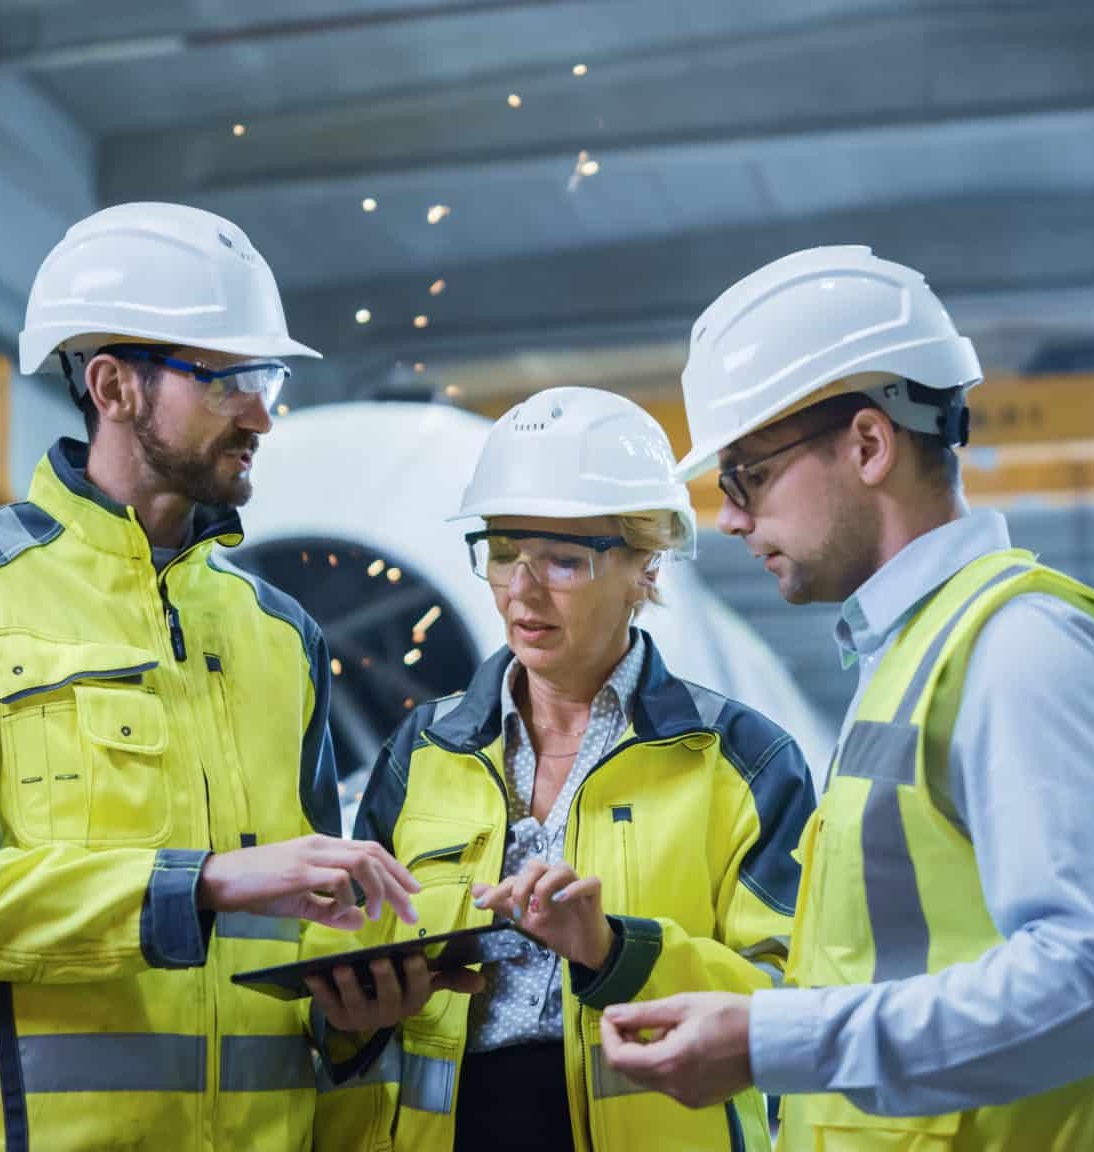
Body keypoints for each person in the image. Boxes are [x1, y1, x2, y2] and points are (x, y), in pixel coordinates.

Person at [598, 246, 1094, 1149]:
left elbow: (1080, 982)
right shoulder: (908, 657)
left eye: (746, 473)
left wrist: (773, 1042)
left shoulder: (1014, 650)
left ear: (868, 444)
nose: (733, 517)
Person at [3, 201, 422, 1152]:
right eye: (227, 378)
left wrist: (355, 1009)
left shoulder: (280, 634)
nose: (263, 414)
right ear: (112, 386)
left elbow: (309, 918)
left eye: (265, 377)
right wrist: (200, 885)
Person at [306, 385, 815, 1152]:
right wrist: (346, 1017)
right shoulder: (422, 751)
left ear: (646, 567)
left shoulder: (741, 761)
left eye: (564, 561)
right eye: (504, 553)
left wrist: (616, 950)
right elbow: (338, 966)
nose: (521, 591)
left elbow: (793, 1006)